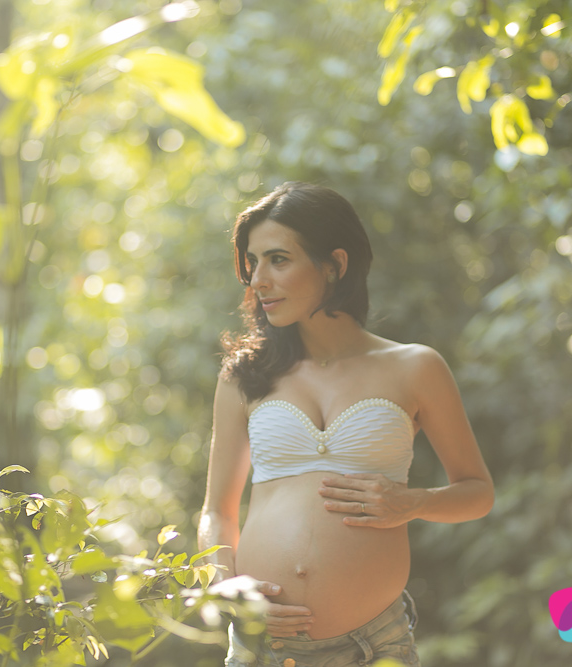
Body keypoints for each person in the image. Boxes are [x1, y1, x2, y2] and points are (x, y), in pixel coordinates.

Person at [198, 182, 494, 667]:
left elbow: (477, 491)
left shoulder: (416, 367)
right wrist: (225, 587)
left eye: (278, 259)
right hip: (262, 647)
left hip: (374, 646)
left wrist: (413, 503)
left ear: (335, 263)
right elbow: (217, 513)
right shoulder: (244, 376)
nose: (258, 281)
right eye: (253, 263)